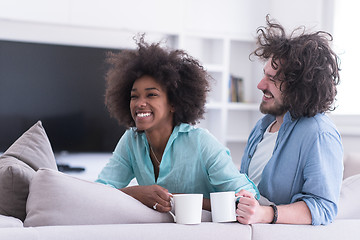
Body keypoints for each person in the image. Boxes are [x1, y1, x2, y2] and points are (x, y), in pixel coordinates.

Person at [96, 35, 259, 213]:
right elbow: (99, 191)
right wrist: (136, 193)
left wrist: (178, 201)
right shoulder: (131, 141)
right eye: (134, 96)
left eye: (151, 95)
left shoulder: (201, 143)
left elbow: (246, 197)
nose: (139, 103)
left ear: (173, 103)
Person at [235, 16, 343, 225]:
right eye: (264, 75)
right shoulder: (262, 126)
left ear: (300, 88)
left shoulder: (319, 133)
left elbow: (323, 206)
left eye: (272, 80)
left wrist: (265, 214)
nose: (260, 85)